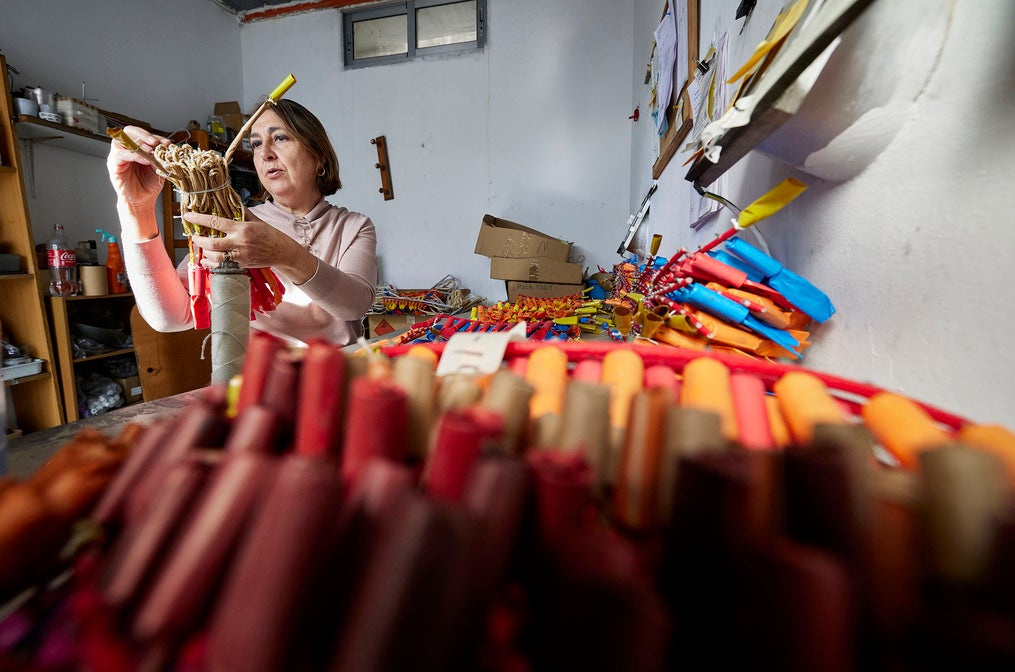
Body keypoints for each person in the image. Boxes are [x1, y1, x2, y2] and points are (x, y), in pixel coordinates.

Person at [107, 99, 378, 347]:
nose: (265, 154)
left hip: (335, 374)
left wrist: (284, 253)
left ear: (319, 155)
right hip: (261, 381)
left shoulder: (353, 226)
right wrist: (136, 209)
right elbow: (171, 318)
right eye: (257, 143)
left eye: (280, 137)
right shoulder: (231, 225)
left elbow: (354, 306)